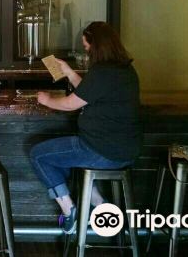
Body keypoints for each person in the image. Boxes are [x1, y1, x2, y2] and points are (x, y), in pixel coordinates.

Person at [29, 21, 142, 234]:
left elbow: (71, 103)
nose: (86, 51)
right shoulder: (125, 70)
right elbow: (90, 93)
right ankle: (98, 204)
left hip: (99, 149)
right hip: (126, 150)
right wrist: (69, 72)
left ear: (96, 45)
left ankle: (69, 210)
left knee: (38, 155)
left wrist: (46, 100)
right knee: (66, 160)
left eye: (87, 46)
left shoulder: (103, 72)